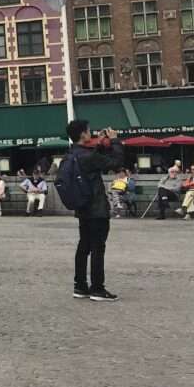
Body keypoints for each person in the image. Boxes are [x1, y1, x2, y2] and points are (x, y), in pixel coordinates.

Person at [66, 120, 124, 301]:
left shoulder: (72, 154)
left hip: (82, 206)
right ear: (83, 134)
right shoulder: (88, 156)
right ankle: (97, 288)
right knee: (98, 247)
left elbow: (92, 161)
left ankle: (80, 286)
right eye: (88, 131)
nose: (90, 133)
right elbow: (116, 163)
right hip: (96, 207)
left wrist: (98, 145)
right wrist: (115, 141)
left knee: (84, 245)